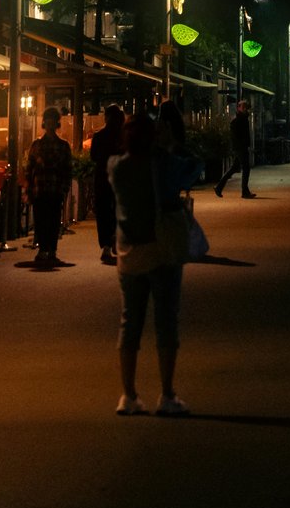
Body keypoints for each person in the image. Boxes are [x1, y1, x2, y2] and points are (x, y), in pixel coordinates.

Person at [108, 113, 201, 416]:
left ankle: (128, 395)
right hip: (162, 250)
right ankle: (167, 393)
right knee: (165, 321)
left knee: (129, 322)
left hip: (129, 252)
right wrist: (171, 144)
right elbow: (193, 168)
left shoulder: (117, 168)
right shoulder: (163, 165)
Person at [25, 108, 73, 272]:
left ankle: (50, 250)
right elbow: (29, 167)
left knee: (53, 221)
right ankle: (43, 249)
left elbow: (67, 169)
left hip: (54, 187)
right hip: (40, 187)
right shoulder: (37, 144)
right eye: (48, 119)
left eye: (53, 119)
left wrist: (65, 187)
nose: (50, 123)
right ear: (45, 122)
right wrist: (29, 187)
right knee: (41, 220)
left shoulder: (62, 145)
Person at [89, 104, 125, 265]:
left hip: (103, 177)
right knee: (119, 210)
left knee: (103, 212)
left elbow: (94, 156)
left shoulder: (99, 136)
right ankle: (117, 240)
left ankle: (106, 245)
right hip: (119, 178)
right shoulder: (124, 136)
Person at [215, 100, 255, 198]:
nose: (245, 109)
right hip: (240, 148)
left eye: (246, 107)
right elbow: (237, 136)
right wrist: (244, 145)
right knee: (245, 167)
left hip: (240, 147)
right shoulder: (238, 121)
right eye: (243, 107)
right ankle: (244, 191)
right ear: (238, 108)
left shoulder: (242, 119)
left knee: (234, 168)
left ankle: (219, 187)